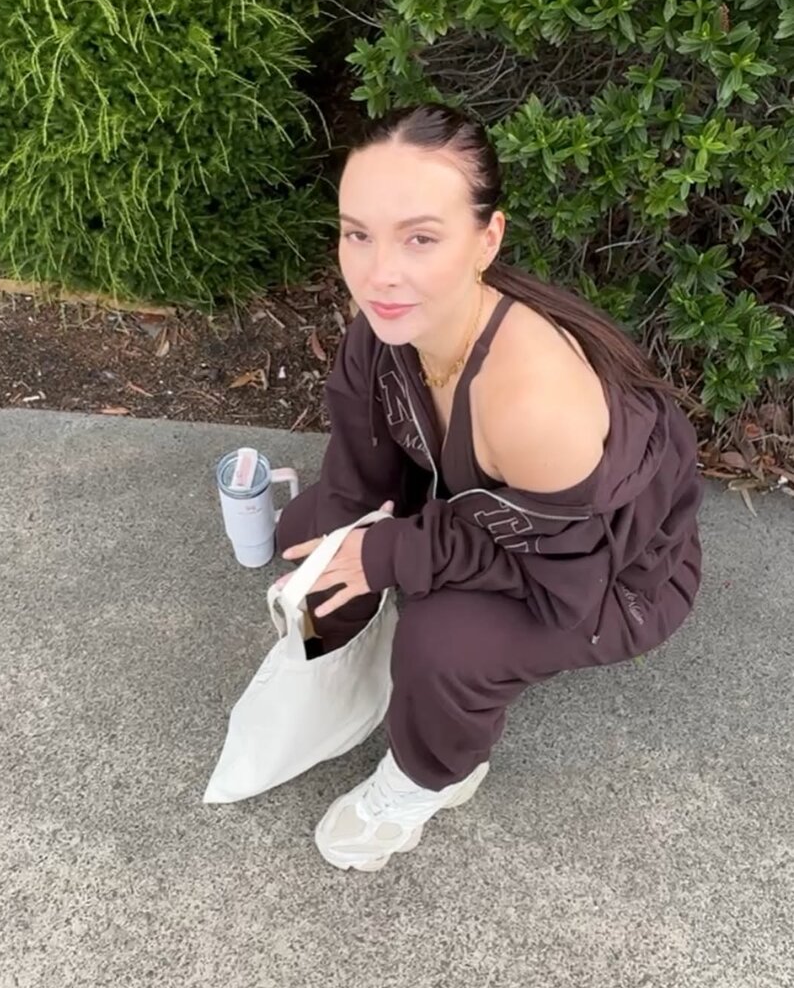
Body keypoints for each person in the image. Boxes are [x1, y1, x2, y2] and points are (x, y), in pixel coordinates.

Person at [275, 103, 703, 872]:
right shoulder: (391, 319)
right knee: (303, 537)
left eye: (420, 238)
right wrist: (325, 615)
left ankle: (431, 777)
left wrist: (390, 557)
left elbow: (562, 584)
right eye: (357, 234)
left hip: (607, 578)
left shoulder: (535, 405)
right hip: (491, 519)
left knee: (441, 644)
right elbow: (356, 464)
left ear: (487, 239)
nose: (378, 272)